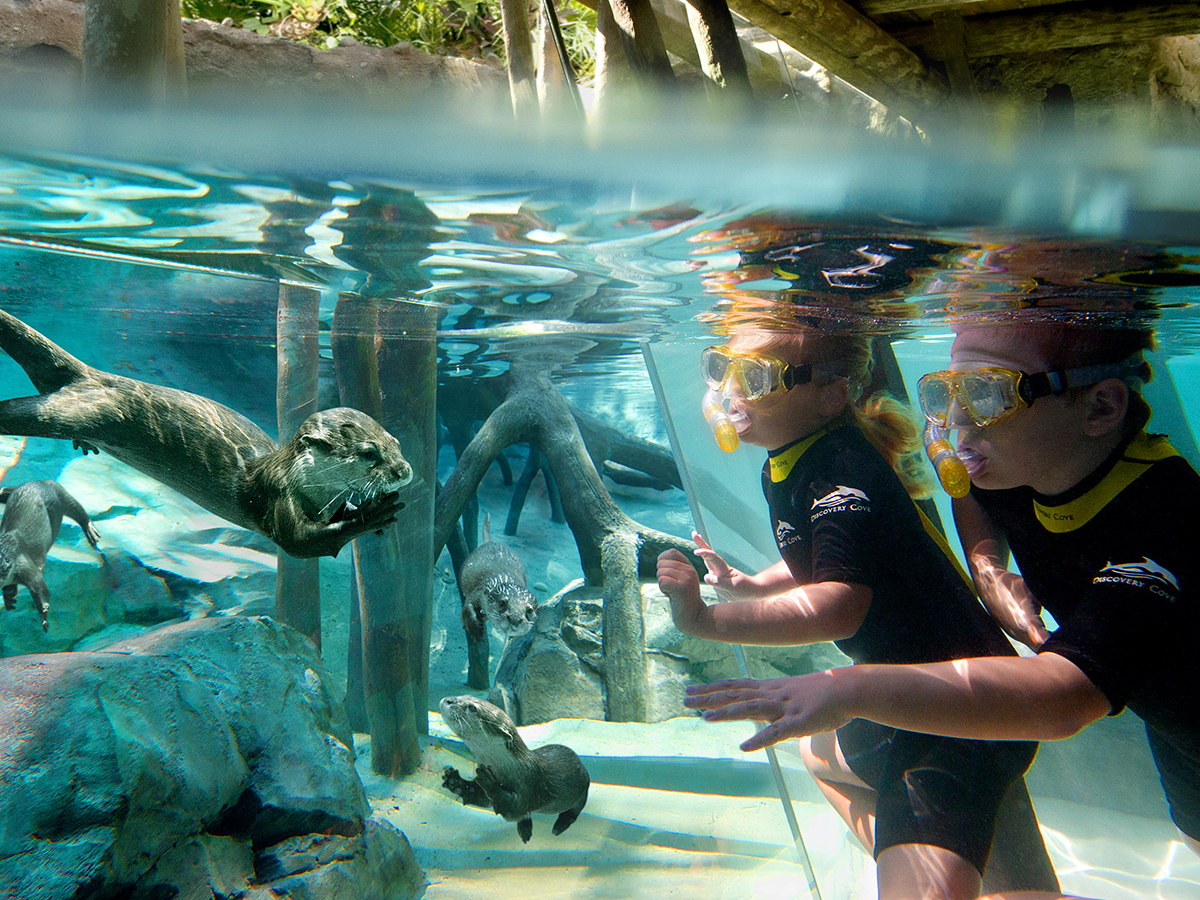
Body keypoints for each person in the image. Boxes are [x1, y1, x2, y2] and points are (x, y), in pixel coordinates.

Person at [685, 322, 1199, 900]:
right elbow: (973, 498)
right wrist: (986, 564)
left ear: (1102, 406)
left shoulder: (1168, 519)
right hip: (1176, 728)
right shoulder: (1029, 457)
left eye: (987, 395)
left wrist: (849, 688)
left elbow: (1063, 698)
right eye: (948, 394)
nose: (955, 426)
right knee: (819, 755)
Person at [657, 320, 1055, 900]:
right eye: (723, 370)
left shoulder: (841, 469)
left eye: (758, 378)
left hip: (955, 711)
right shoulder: (788, 459)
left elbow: (839, 606)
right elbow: (822, 560)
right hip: (897, 697)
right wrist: (747, 584)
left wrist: (704, 619)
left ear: (831, 396)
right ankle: (940, 867)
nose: (730, 394)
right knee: (816, 753)